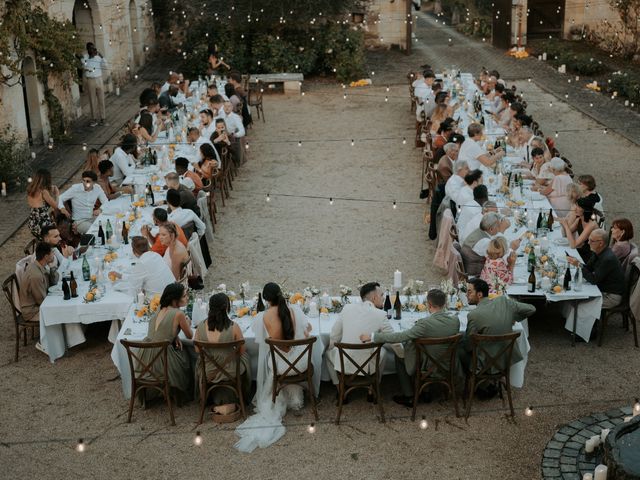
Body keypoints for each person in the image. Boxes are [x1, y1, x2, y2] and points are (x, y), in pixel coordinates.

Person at [235, 282, 319, 452]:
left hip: (281, 367)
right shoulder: (294, 309)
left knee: (270, 360)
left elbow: (258, 338)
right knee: (302, 355)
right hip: (300, 363)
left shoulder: (263, 317)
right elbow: (309, 328)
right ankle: (295, 397)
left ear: (266, 299)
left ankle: (285, 395)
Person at [359, 288, 460, 407]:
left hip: (427, 366)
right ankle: (426, 392)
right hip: (448, 365)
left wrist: (372, 336)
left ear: (429, 305)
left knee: (400, 355)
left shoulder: (424, 324)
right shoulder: (455, 321)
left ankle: (409, 395)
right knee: (431, 350)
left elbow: (401, 336)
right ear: (445, 303)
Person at [325, 282, 402, 387]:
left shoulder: (347, 309)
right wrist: (403, 356)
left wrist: (332, 348)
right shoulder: (381, 315)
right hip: (368, 367)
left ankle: (339, 388)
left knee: (328, 352)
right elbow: (394, 340)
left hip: (345, 365)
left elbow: (335, 334)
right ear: (374, 298)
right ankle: (373, 387)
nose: (383, 298)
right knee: (382, 351)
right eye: (381, 295)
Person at [462, 278, 535, 376]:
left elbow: (468, 346)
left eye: (469, 292)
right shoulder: (504, 301)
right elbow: (531, 309)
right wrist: (513, 318)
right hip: (506, 360)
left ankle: (472, 383)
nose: (466, 295)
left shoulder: (473, 315)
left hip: (485, 363)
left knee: (459, 351)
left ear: (479, 295)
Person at [194, 293, 252, 416]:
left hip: (208, 372)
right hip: (230, 371)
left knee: (200, 361)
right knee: (246, 356)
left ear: (210, 307)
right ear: (226, 308)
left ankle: (205, 397)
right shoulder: (234, 327)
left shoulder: (200, 327)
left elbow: (197, 350)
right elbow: (241, 351)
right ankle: (246, 394)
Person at [137, 282, 193, 402]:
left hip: (145, 358)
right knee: (188, 357)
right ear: (174, 300)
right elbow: (189, 335)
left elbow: (162, 331)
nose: (187, 297)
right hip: (162, 360)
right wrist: (188, 322)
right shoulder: (179, 314)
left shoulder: (159, 308)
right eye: (184, 296)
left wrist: (174, 336)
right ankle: (183, 391)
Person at [567, 229, 626, 309]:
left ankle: (584, 321)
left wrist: (578, 265)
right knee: (575, 295)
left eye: (591, 241)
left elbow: (593, 280)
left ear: (601, 243)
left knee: (579, 306)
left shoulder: (608, 259)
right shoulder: (597, 251)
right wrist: (578, 263)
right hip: (602, 287)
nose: (588, 243)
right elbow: (588, 268)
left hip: (611, 296)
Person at [109, 236, 175, 296]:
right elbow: (136, 278)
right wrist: (121, 276)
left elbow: (135, 290)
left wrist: (117, 288)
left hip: (160, 298)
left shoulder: (141, 263)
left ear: (134, 252)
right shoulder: (156, 255)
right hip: (173, 292)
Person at [19, 242, 58, 323]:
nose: (53, 254)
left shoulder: (38, 265)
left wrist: (52, 268)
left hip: (38, 305)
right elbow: (42, 301)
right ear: (46, 257)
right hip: (32, 312)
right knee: (60, 314)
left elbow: (54, 282)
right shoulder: (36, 276)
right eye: (52, 253)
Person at [559, 198, 600, 262]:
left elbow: (573, 245)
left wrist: (566, 226)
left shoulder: (591, 225)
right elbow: (565, 234)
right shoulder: (579, 220)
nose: (575, 209)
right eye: (576, 206)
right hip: (582, 250)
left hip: (591, 256)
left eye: (579, 207)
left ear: (585, 210)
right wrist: (565, 223)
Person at [26, 168, 59, 239]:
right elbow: (55, 206)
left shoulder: (30, 190)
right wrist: (57, 194)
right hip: (43, 223)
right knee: (57, 234)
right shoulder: (43, 192)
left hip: (33, 223)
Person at [82, 42, 108, 127]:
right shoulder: (85, 57)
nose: (92, 50)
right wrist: (90, 58)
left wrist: (102, 57)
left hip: (99, 79)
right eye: (90, 48)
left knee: (101, 99)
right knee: (92, 100)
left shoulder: (98, 57)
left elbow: (105, 66)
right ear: (88, 49)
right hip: (91, 80)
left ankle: (103, 118)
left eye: (93, 48)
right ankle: (94, 119)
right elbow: (85, 67)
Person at [223, 100, 246, 166]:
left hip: (231, 140)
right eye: (225, 106)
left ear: (232, 108)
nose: (227, 108)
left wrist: (234, 135)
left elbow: (242, 132)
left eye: (229, 106)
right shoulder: (222, 116)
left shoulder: (235, 117)